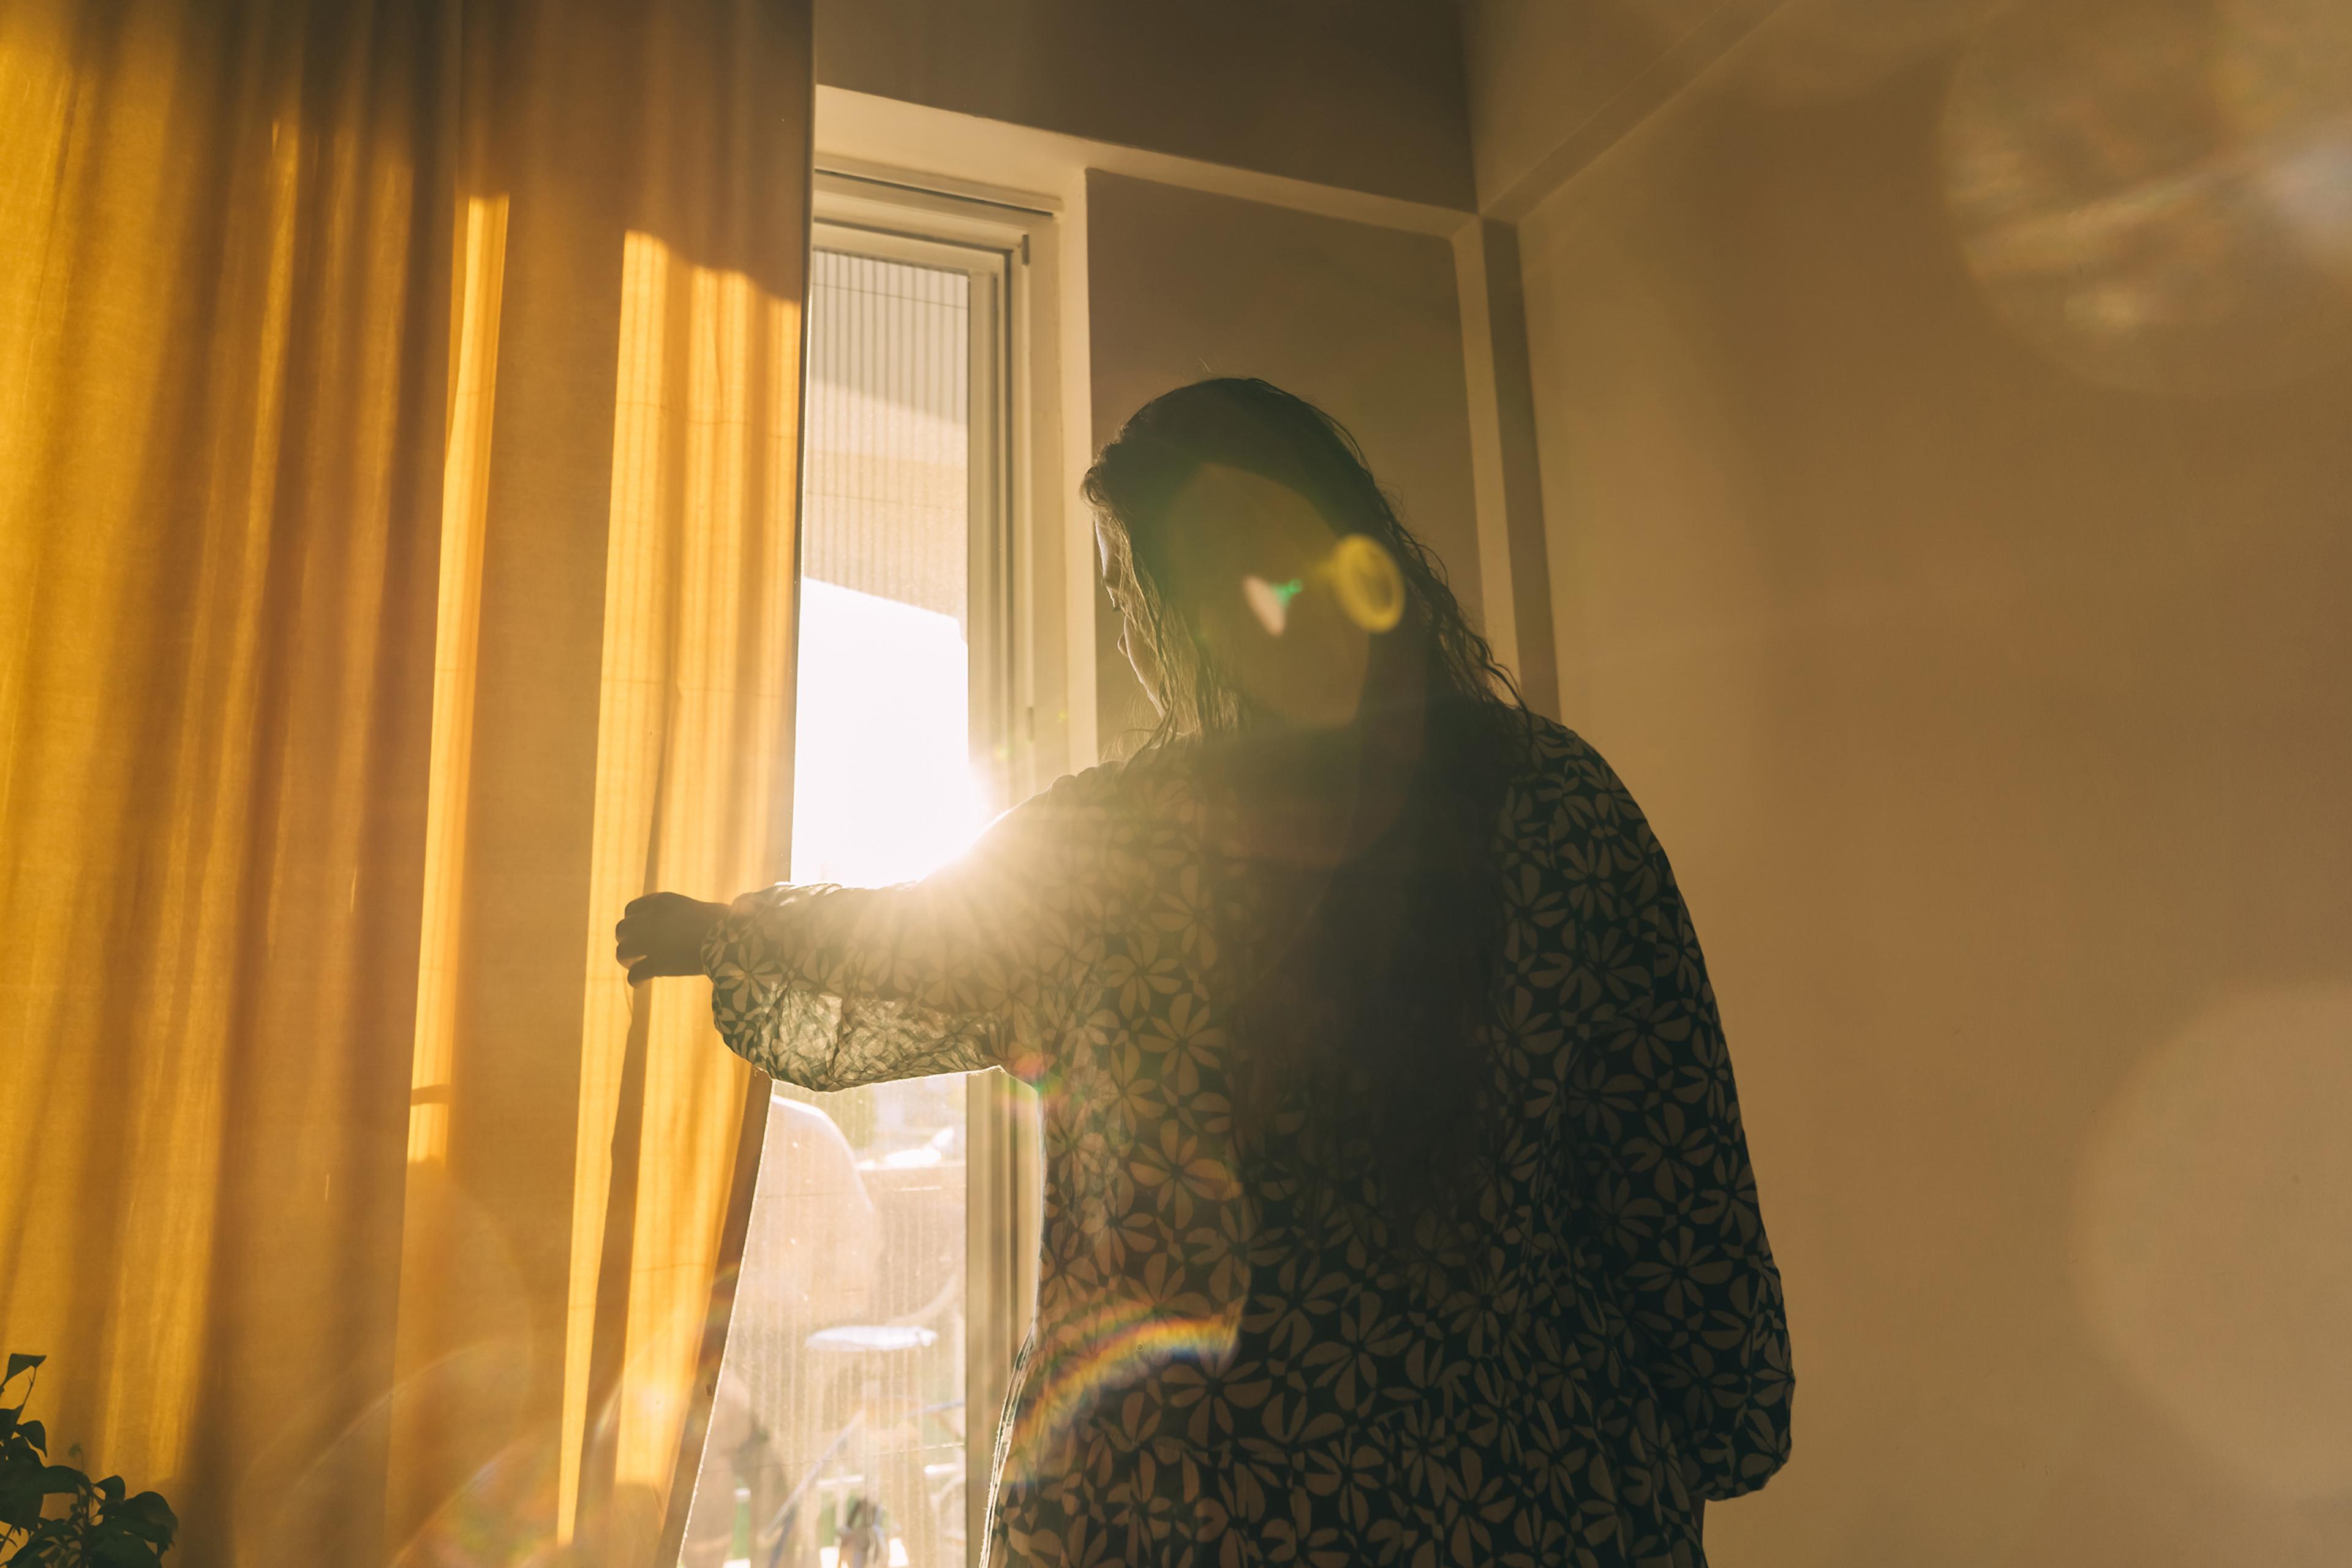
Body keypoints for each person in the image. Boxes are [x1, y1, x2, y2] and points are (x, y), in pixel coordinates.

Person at [617, 379, 1792, 1566]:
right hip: (1529, 1497)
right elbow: (1678, 1181)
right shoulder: (1559, 806)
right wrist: (1727, 1421)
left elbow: (907, 949)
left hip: (1187, 1510)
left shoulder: (1125, 850)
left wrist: (727, 936)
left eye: (1132, 584)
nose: (1131, 622)